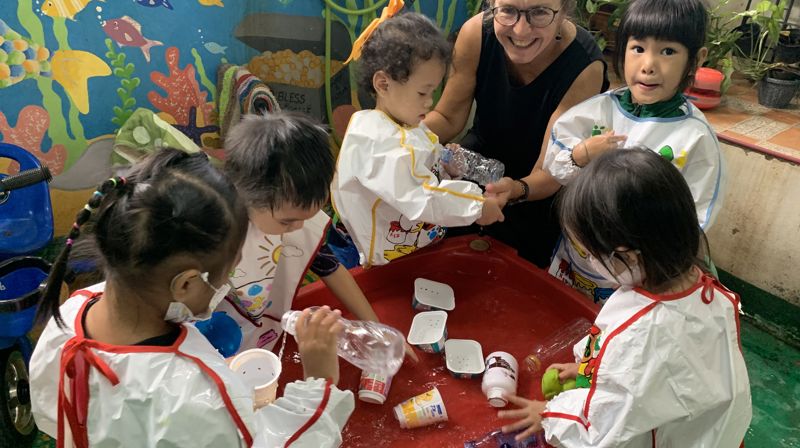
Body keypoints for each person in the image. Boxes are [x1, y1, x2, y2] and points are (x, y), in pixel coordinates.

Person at [29, 149, 355, 447]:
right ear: (185, 285)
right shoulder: (195, 395)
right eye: (228, 272)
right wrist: (319, 384)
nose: (229, 283)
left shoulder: (71, 314)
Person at [498, 149, 751, 447]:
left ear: (626, 255)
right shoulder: (705, 287)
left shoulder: (643, 335)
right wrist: (589, 371)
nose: (589, 261)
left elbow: (604, 428)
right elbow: (655, 378)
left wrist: (550, 414)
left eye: (589, 253)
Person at [544, 0, 723, 304]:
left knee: (616, 332)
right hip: (578, 255)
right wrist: (582, 153)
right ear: (621, 48)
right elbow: (556, 167)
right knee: (560, 310)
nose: (649, 64)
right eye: (638, 48)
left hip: (639, 272)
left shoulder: (694, 137)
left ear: (696, 59)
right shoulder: (598, 110)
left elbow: (694, 218)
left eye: (668, 51)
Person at [424, 0, 608, 268]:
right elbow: (447, 118)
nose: (521, 31)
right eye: (508, 10)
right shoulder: (476, 34)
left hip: (539, 187)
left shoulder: (585, 66)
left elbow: (549, 171)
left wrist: (514, 190)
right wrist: (398, 135)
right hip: (477, 163)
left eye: (540, 13)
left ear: (564, 11)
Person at [218, 112, 416, 361]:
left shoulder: (286, 209)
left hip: (263, 338)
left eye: (308, 216)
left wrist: (375, 329)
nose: (300, 228)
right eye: (288, 221)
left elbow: (330, 267)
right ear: (244, 195)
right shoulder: (214, 230)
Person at [331, 7, 505, 268]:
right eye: (423, 93)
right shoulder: (376, 142)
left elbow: (424, 168)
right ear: (383, 84)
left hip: (413, 247)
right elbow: (421, 195)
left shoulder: (406, 123)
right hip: (378, 261)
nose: (430, 102)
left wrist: (448, 170)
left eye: (434, 91)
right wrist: (478, 206)